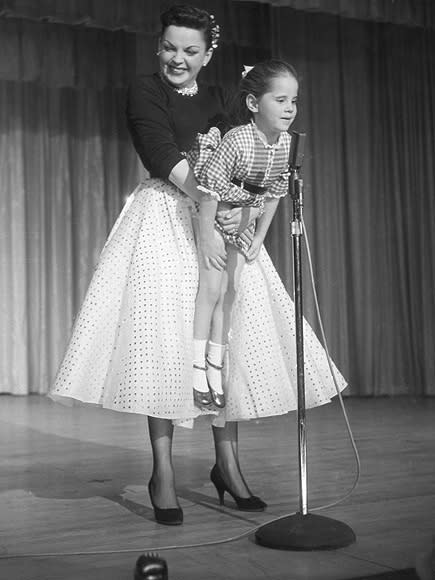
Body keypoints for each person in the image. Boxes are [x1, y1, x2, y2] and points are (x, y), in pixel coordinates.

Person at [49, 4, 347, 526]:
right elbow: (161, 152)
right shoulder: (145, 91)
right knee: (167, 341)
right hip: (166, 215)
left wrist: (242, 214)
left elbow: (244, 154)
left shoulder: (221, 100)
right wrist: (219, 200)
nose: (177, 58)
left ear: (208, 55)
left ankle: (226, 464)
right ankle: (162, 472)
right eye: (169, 47)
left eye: (189, 50)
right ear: (158, 47)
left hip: (222, 217)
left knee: (225, 336)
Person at [189, 60, 299, 413]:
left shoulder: (284, 145)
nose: (289, 109)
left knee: (231, 292)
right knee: (212, 288)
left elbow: (273, 194)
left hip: (242, 218)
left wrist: (259, 235)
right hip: (214, 211)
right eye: (280, 100)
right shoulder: (237, 139)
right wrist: (209, 234)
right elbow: (209, 188)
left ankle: (216, 367)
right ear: (254, 104)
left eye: (293, 102)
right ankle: (196, 368)